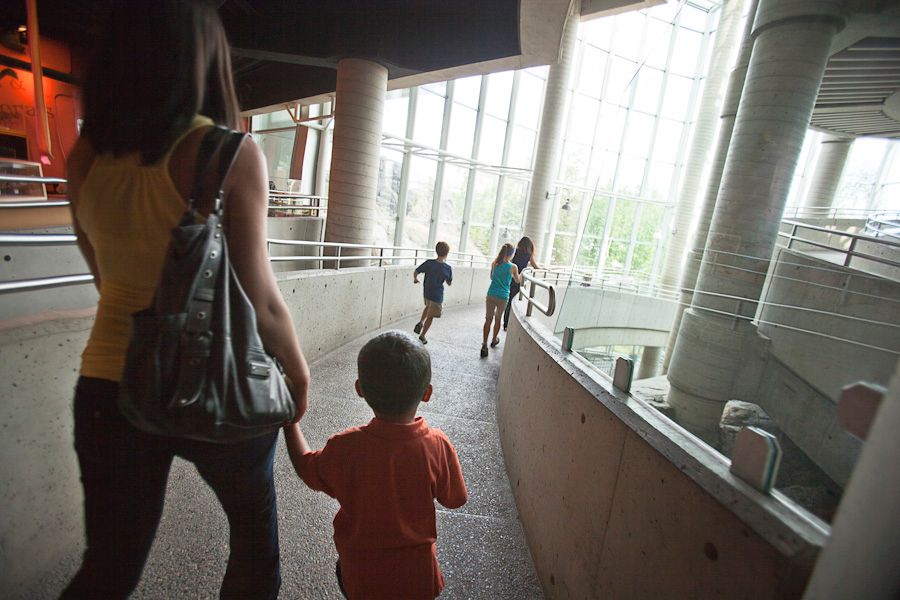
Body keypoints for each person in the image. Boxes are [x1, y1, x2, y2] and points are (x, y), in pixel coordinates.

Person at [61, 2, 310, 598]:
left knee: (108, 569)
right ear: (202, 56)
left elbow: (105, 281)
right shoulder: (227, 152)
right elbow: (263, 299)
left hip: (111, 383)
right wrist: (298, 376)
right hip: (217, 378)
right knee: (254, 553)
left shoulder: (84, 157)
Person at [283, 331, 468, 599]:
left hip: (361, 576)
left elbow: (305, 466)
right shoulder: (437, 445)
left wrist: (291, 422)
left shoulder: (345, 447)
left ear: (360, 389)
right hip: (418, 577)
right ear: (426, 393)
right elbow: (455, 499)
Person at [481, 243, 523, 358]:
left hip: (491, 294)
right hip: (503, 297)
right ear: (512, 254)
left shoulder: (494, 263)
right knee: (498, 319)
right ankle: (494, 339)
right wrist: (523, 272)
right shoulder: (513, 267)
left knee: (488, 319)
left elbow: (491, 277)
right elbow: (518, 280)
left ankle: (484, 344)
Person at [413, 241, 453, 344]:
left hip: (427, 292)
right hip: (437, 295)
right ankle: (423, 335)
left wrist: (415, 279)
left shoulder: (429, 263)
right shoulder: (447, 268)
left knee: (427, 307)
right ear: (447, 253)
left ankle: (421, 322)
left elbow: (416, 271)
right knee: (431, 316)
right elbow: (449, 283)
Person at [503, 236, 541, 331]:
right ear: (529, 246)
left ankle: (506, 323)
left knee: (509, 301)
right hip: (520, 280)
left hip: (511, 278)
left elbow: (509, 262)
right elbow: (535, 266)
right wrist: (544, 270)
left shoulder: (515, 251)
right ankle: (510, 323)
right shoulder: (529, 255)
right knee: (516, 301)